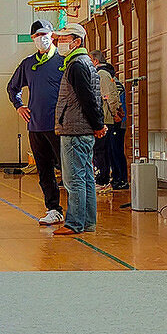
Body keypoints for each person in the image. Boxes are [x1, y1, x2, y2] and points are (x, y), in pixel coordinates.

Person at [7, 20, 65, 225]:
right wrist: (19, 106)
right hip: (36, 126)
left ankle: (78, 212)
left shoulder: (63, 61)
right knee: (44, 170)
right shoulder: (28, 64)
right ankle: (53, 209)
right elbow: (12, 87)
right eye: (36, 36)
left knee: (67, 169)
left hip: (59, 126)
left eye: (43, 34)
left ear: (52, 35)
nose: (40, 38)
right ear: (32, 38)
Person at [52, 23, 106, 236]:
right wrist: (97, 124)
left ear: (77, 42)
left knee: (74, 179)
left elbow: (87, 99)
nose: (60, 42)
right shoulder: (84, 63)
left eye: (64, 39)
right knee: (86, 179)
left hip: (75, 130)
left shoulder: (76, 65)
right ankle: (88, 222)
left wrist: (98, 125)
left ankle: (74, 223)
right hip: (82, 129)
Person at [89, 50, 128, 190]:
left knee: (110, 150)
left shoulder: (102, 75)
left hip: (108, 118)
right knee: (108, 151)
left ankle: (115, 180)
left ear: (95, 61)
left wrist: (115, 113)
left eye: (90, 60)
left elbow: (110, 96)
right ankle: (114, 179)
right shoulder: (105, 74)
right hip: (108, 117)